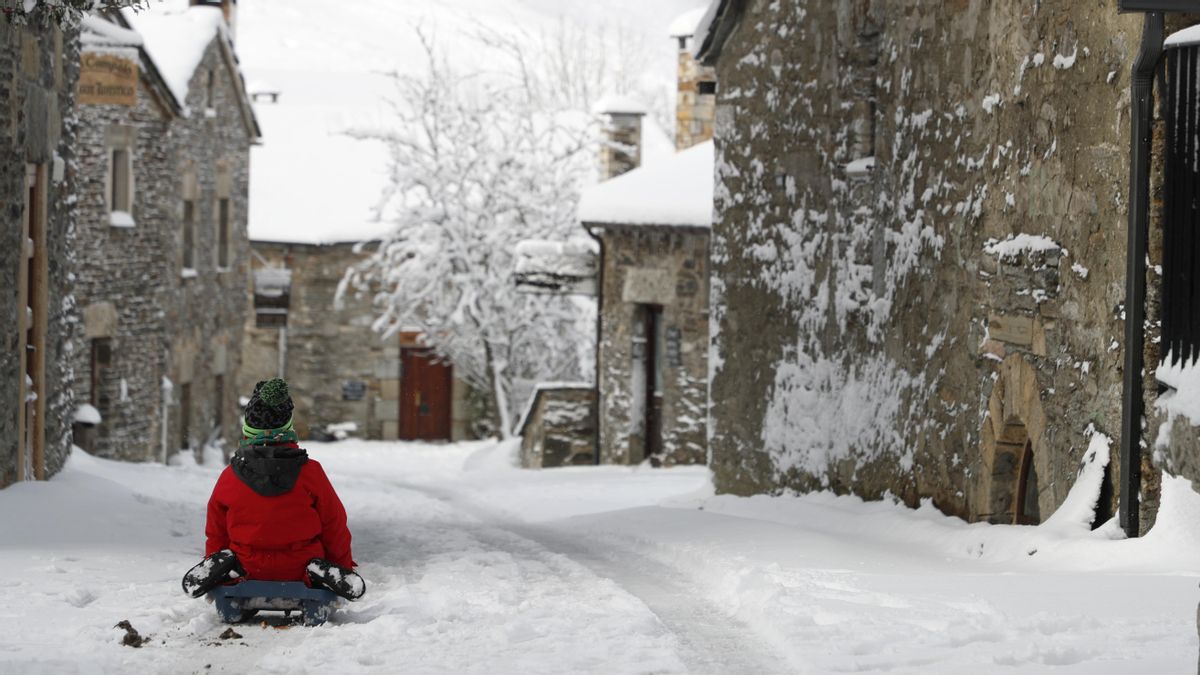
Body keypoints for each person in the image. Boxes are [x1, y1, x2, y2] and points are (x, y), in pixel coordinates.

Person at [181, 378, 365, 601]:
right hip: (301, 568)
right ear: (288, 426)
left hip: (246, 568)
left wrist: (216, 559)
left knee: (229, 557)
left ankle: (221, 572)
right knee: (317, 562)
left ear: (248, 429)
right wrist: (342, 566)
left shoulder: (230, 476)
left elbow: (216, 531)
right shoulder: (311, 473)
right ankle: (323, 573)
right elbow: (334, 526)